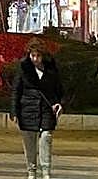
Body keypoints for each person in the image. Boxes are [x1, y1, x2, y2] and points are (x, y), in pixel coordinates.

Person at [10, 38, 64, 179]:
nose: (35, 59)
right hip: (27, 108)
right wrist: (14, 111)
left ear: (43, 55)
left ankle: (46, 171)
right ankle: (31, 170)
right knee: (29, 141)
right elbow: (16, 89)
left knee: (46, 137)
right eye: (33, 55)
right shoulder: (24, 68)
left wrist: (59, 103)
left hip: (46, 108)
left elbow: (58, 88)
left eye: (38, 56)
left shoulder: (51, 67)